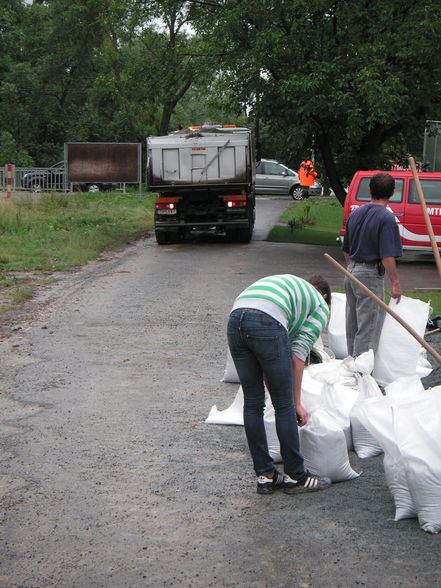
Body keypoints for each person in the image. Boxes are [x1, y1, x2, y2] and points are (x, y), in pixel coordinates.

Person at [227, 274, 332, 495]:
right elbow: (297, 356)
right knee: (284, 405)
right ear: (324, 296)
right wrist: (296, 403)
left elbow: (272, 362)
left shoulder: (293, 295)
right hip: (265, 320)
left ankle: (266, 476)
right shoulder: (321, 307)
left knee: (253, 403)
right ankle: (296, 476)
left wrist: (277, 386)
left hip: (236, 317)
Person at [342, 172, 402, 358]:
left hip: (351, 271)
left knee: (353, 323)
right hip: (369, 275)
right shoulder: (386, 218)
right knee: (369, 327)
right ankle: (361, 374)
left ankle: (352, 366)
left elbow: (346, 249)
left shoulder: (355, 213)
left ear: (369, 190)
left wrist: (354, 268)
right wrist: (395, 283)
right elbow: (387, 256)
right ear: (392, 193)